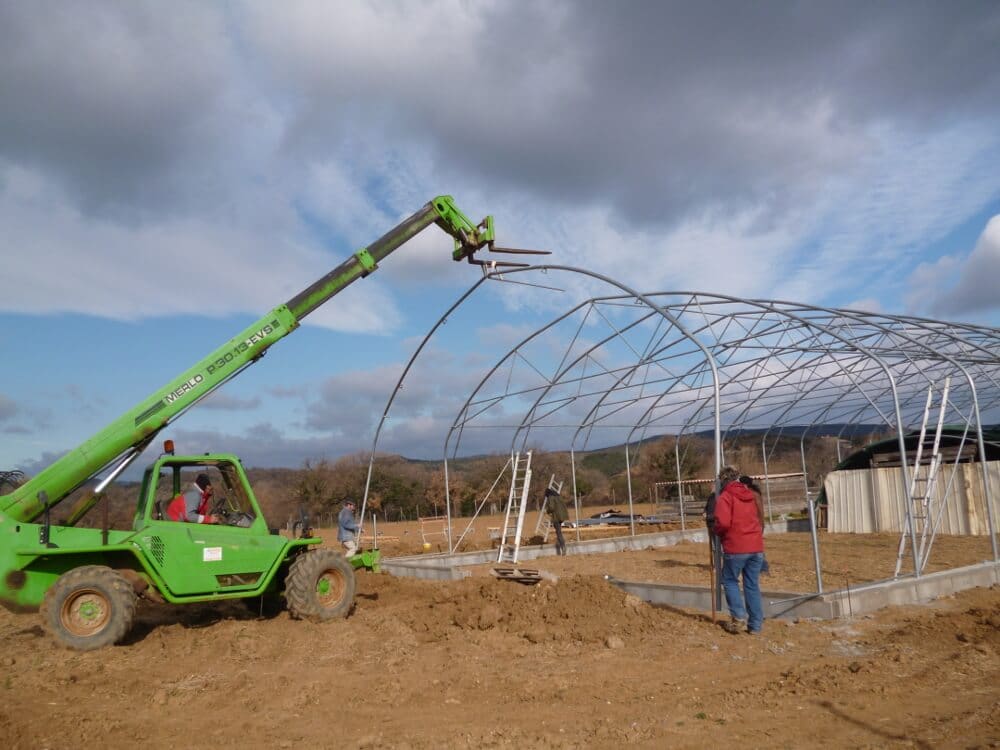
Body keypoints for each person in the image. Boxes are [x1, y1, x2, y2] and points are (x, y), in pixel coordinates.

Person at [713, 466, 765, 635]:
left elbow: (723, 522)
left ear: (723, 481)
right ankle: (756, 625)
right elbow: (759, 517)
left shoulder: (726, 497)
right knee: (752, 585)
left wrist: (717, 531)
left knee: (729, 580)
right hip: (756, 546)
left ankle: (738, 617)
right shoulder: (751, 494)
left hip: (736, 546)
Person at [545, 486, 569, 556]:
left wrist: (547, 511)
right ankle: (562, 545)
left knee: (558, 533)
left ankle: (563, 547)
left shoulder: (550, 497)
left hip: (557, 517)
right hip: (562, 516)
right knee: (559, 531)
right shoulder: (558, 496)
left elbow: (551, 507)